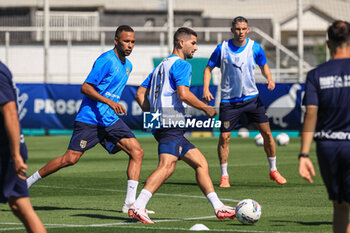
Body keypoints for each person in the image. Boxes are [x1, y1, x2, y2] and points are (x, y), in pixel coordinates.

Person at [26, 25, 154, 214]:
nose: (130, 45)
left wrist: (110, 106)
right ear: (116, 41)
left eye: (133, 42)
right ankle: (26, 184)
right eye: (126, 41)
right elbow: (85, 87)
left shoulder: (128, 66)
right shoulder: (106, 60)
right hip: (90, 119)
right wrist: (109, 102)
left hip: (110, 120)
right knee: (70, 159)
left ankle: (129, 204)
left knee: (137, 152)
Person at [130, 27, 236, 224]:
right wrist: (206, 108)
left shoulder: (160, 66)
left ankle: (218, 207)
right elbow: (183, 94)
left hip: (161, 122)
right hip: (171, 123)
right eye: (193, 43)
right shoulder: (182, 65)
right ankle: (138, 205)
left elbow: (139, 94)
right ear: (181, 43)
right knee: (167, 166)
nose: (196, 48)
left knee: (201, 163)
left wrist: (154, 112)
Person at [202, 16, 287, 187]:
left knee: (268, 135)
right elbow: (208, 68)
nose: (241, 32)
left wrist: (269, 78)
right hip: (229, 101)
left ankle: (273, 170)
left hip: (252, 99)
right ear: (232, 30)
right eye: (238, 29)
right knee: (224, 138)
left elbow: (263, 65)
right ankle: (224, 176)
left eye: (244, 29)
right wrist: (205, 89)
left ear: (248, 30)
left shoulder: (255, 47)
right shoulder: (222, 48)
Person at [299, 20, 350, 233]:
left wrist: (303, 155)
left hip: (327, 147)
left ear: (328, 44)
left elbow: (311, 113)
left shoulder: (315, 74)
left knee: (339, 206)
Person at [0, 61, 47, 233]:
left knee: (21, 206)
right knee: (18, 206)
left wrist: (16, 155)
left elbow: (10, 112)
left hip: (6, 153)